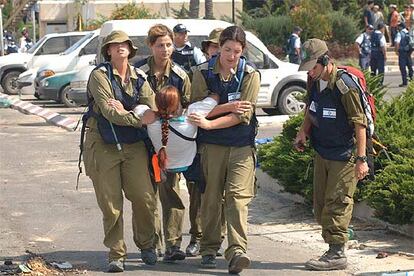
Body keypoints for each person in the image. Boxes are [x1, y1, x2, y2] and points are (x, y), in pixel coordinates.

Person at [82, 30, 158, 272]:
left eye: (124, 44)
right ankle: (117, 253)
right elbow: (108, 110)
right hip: (103, 143)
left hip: (133, 144)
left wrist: (130, 109)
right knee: (110, 203)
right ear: (108, 51)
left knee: (145, 198)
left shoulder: (139, 76)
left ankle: (147, 245)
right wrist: (136, 114)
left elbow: (153, 109)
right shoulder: (99, 75)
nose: (119, 48)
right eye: (114, 45)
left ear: (130, 49)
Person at [189, 25, 260, 274]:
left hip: (241, 146)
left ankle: (237, 250)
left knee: (237, 200)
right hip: (212, 146)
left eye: (237, 52)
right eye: (227, 50)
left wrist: (210, 120)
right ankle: (209, 248)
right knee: (211, 199)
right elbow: (194, 109)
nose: (232, 56)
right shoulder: (201, 72)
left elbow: (243, 116)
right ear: (218, 47)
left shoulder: (250, 74)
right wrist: (225, 109)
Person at [294, 38, 369, 271]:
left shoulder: (344, 85)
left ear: (325, 60)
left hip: (345, 154)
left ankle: (337, 253)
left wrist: (361, 159)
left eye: (313, 67)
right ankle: (335, 243)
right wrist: (302, 132)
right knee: (320, 207)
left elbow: (360, 123)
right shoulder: (315, 82)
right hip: (322, 151)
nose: (310, 72)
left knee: (337, 203)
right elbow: (311, 108)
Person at [134, 24, 200, 261]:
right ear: (151, 46)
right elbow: (133, 102)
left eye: (169, 45)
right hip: (144, 142)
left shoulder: (181, 75)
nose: (165, 49)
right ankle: (151, 245)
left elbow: (189, 105)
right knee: (147, 196)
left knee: (171, 193)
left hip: (170, 144)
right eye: (160, 45)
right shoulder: (138, 72)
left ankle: (173, 245)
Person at [394, 22, 413, 87]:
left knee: (402, 67)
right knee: (410, 66)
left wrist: (396, 50)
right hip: (409, 52)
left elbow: (397, 43)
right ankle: (412, 79)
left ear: (401, 27)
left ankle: (405, 82)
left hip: (402, 52)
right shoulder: (409, 33)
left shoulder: (400, 33)